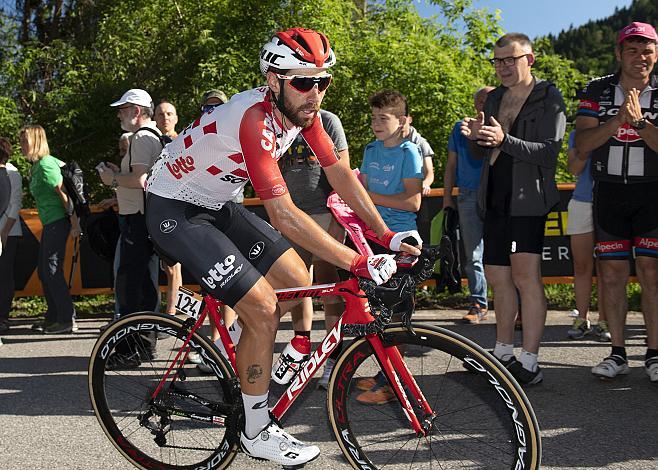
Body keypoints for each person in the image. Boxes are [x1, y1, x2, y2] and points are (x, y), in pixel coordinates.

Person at [144, 28, 421, 467]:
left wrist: (385, 235)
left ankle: (240, 344)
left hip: (215, 203)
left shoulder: (302, 116)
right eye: (303, 82)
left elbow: (341, 175)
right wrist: (359, 261)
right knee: (263, 309)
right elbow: (285, 214)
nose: (315, 93)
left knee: (297, 280)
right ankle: (255, 428)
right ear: (274, 81)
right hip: (173, 207)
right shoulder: (253, 117)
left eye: (323, 81)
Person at [461, 32, 566, 386]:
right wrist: (476, 137)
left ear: (530, 60)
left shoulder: (548, 96)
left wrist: (505, 139)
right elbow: (482, 155)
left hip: (528, 201)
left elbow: (550, 152)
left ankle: (531, 361)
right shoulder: (494, 99)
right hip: (493, 199)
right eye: (498, 61)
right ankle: (503, 353)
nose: (503, 67)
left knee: (525, 278)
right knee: (498, 279)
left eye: (511, 59)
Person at [576, 22, 658, 383]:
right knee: (611, 274)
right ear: (619, 53)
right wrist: (617, 121)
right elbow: (583, 143)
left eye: (647, 51)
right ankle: (618, 352)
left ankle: (654, 355)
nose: (640, 57)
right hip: (608, 192)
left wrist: (639, 124)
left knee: (652, 274)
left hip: (652, 193)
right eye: (632, 50)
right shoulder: (597, 89)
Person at [356, 89, 423, 405]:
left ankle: (392, 384)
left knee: (396, 311)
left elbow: (414, 201)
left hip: (402, 239)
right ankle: (386, 373)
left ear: (403, 121)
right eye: (373, 118)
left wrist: (369, 199)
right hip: (371, 237)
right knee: (375, 310)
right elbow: (360, 191)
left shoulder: (410, 152)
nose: (376, 124)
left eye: (383, 118)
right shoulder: (371, 150)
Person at [277, 108, 349, 389]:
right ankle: (301, 349)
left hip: (323, 213)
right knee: (297, 285)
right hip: (292, 214)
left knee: (330, 288)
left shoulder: (328, 121)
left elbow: (343, 170)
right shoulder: (279, 122)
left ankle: (333, 358)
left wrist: (338, 221)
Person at [99, 89, 162, 322]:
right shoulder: (149, 135)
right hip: (142, 218)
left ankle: (132, 345)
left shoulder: (142, 137)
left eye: (122, 110)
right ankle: (142, 340)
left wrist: (112, 179)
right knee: (143, 282)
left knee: (131, 284)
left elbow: (140, 180)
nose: (119, 116)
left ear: (136, 111)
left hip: (137, 220)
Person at [21, 125, 79, 334]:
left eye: (24, 141)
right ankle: (53, 317)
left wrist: (74, 224)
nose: (21, 145)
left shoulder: (46, 165)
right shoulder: (37, 166)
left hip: (58, 222)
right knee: (45, 271)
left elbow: (65, 194)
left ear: (35, 141)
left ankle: (66, 319)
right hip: (49, 223)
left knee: (52, 270)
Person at [444, 86, 494, 324]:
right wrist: (447, 197)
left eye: (490, 98)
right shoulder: (460, 128)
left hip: (497, 196)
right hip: (467, 195)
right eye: (481, 99)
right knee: (472, 254)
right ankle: (478, 303)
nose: (485, 102)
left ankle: (516, 306)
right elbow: (451, 164)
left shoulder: (504, 127)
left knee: (504, 255)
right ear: (475, 104)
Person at [565, 130, 610, 341]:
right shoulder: (578, 134)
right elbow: (573, 168)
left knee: (607, 266)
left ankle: (605, 321)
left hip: (610, 202)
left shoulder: (619, 128)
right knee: (581, 265)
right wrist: (587, 146)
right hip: (582, 201)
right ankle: (581, 319)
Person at [155, 101, 183, 315]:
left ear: (176, 118)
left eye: (169, 113)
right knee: (168, 267)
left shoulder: (182, 141)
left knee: (173, 267)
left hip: (177, 209)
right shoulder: (152, 142)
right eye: (161, 114)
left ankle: (172, 313)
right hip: (159, 208)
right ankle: (173, 311)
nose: (165, 117)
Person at [0, 138, 22, 333]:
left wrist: (4, 231)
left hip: (9, 231)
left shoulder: (12, 172)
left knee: (4, 274)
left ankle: (3, 316)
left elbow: (15, 204)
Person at [402, 116, 435, 195]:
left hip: (414, 194)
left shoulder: (422, 143)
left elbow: (429, 172)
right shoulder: (384, 143)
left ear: (409, 119)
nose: (401, 122)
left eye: (403, 119)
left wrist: (425, 184)